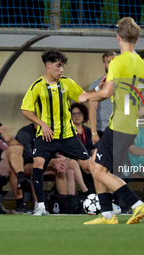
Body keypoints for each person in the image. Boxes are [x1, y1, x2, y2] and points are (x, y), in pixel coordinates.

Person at [79, 17, 144, 225]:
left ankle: (136, 204)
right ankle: (107, 216)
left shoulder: (118, 62)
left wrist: (87, 96)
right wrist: (135, 115)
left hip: (118, 125)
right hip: (129, 127)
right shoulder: (142, 65)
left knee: (99, 170)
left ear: (118, 37)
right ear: (137, 40)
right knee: (97, 167)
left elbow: (107, 92)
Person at [21, 49, 90, 216]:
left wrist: (99, 90)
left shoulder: (67, 83)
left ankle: (105, 200)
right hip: (46, 136)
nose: (62, 70)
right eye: (58, 66)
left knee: (88, 167)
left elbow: (83, 97)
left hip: (67, 135)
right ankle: (41, 207)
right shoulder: (37, 86)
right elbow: (26, 110)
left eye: (63, 67)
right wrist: (42, 124)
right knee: (38, 164)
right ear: (48, 66)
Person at [88, 51, 116, 145]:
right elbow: (92, 110)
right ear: (104, 64)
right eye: (109, 62)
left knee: (120, 159)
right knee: (103, 159)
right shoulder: (96, 84)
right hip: (103, 130)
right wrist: (94, 133)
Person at [71, 103, 95, 194]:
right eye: (74, 114)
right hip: (75, 159)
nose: (77, 116)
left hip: (88, 159)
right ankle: (89, 193)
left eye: (79, 113)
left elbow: (93, 149)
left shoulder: (89, 131)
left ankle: (101, 194)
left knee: (98, 166)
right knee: (87, 166)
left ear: (84, 115)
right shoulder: (68, 131)